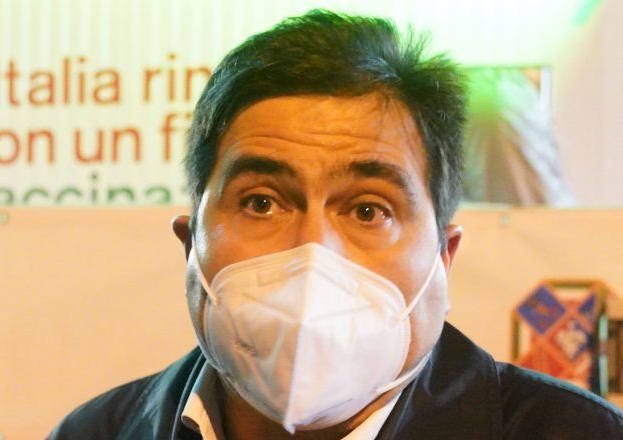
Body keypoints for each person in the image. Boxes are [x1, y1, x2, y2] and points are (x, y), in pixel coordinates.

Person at [49, 10, 623, 439]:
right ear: (189, 246)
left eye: (369, 210)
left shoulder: (571, 433)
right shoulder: (99, 433)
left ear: (443, 259)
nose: (313, 254)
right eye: (262, 203)